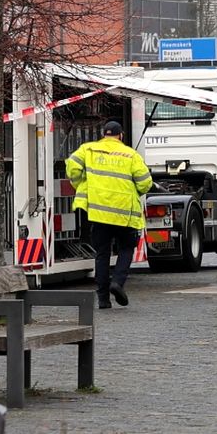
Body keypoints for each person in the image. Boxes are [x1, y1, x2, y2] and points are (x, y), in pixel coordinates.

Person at [66, 121, 152, 309]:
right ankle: (118, 283)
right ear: (121, 136)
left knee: (102, 254)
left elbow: (72, 165)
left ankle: (103, 298)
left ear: (104, 135)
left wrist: (81, 182)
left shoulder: (88, 149)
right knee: (126, 249)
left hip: (98, 214)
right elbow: (145, 182)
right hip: (124, 214)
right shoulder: (131, 154)